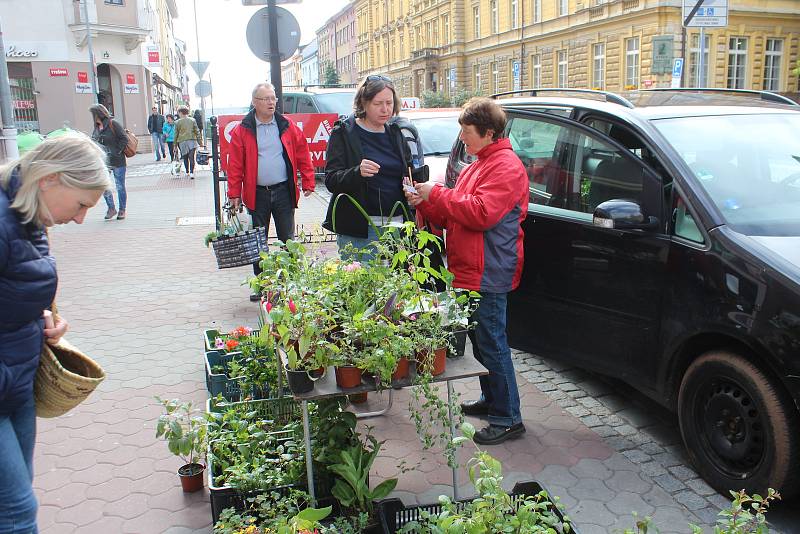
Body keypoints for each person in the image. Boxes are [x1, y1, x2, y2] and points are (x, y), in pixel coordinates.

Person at [0, 134, 111, 533]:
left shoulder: (27, 221)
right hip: (6, 384)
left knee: (12, 503)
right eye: (82, 204)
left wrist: (45, 320)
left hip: (16, 387)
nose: (81, 218)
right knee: (15, 512)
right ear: (50, 179)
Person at [405, 97, 528, 446]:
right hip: (470, 267)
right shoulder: (479, 163)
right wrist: (426, 201)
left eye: (467, 131)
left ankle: (508, 418)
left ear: (489, 132)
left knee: (492, 343)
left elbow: (481, 213)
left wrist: (438, 194)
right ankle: (493, 401)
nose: (462, 137)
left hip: (488, 267)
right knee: (481, 340)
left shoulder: (505, 166)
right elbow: (455, 212)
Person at [228, 82, 315, 301]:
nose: (271, 102)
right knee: (259, 241)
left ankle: (291, 283)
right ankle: (262, 285)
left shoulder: (286, 125)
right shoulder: (243, 129)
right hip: (256, 194)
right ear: (254, 102)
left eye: (273, 98)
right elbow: (235, 164)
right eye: (265, 99)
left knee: (288, 239)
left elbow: (303, 153)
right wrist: (234, 194)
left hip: (284, 191)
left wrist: (308, 180)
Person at [322, 74, 417, 259]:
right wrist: (358, 172)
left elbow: (409, 172)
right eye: (377, 103)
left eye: (389, 103)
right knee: (363, 285)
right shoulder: (344, 132)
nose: (385, 109)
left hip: (396, 226)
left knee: (395, 286)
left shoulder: (396, 134)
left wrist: (411, 189)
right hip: (359, 230)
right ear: (364, 103)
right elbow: (331, 180)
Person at [90, 103, 128, 220]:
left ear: (99, 114)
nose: (93, 117)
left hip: (117, 160)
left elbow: (124, 138)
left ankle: (122, 210)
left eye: (94, 114)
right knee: (104, 185)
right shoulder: (97, 127)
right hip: (103, 161)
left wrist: (117, 151)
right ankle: (111, 208)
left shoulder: (113, 124)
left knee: (120, 186)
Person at [174, 106, 202, 179]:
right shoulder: (192, 120)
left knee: (185, 157)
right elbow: (197, 131)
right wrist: (200, 142)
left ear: (180, 112)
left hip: (182, 141)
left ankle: (187, 172)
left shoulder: (177, 122)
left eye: (178, 112)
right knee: (191, 157)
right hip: (192, 140)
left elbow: (175, 134)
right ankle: (192, 172)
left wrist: (175, 145)